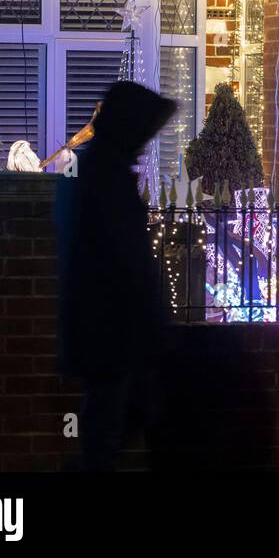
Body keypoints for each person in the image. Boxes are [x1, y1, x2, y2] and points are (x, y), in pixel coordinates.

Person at [55, 80, 176, 471]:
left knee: (109, 425)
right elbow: (129, 261)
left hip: (103, 330)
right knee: (109, 429)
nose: (145, 144)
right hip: (112, 332)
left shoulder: (93, 168)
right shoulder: (106, 175)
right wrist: (155, 327)